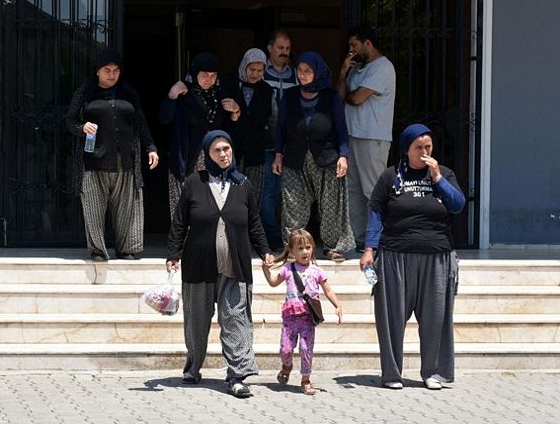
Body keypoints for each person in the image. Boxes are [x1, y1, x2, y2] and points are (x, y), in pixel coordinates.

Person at [165, 130, 273, 398]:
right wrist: (173, 254)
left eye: (227, 148)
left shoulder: (243, 184)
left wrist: (265, 252)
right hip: (198, 264)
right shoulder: (194, 183)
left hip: (234, 265)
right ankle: (193, 368)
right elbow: (180, 222)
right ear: (207, 154)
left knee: (236, 319)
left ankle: (236, 376)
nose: (224, 154)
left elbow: (254, 223)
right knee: (197, 321)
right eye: (217, 150)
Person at [360, 123, 465, 390]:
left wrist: (438, 178)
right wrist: (370, 250)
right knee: (391, 317)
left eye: (428, 146)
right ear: (406, 149)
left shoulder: (444, 175)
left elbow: (457, 205)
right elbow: (376, 213)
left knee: (435, 318)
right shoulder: (390, 177)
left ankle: (433, 372)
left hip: (437, 255)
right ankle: (392, 374)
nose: (424, 151)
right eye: (418, 147)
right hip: (396, 255)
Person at [66, 49, 159, 262]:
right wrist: (82, 128)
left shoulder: (128, 93)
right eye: (107, 70)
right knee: (94, 207)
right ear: (97, 71)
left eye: (116, 70)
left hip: (125, 159)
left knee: (127, 206)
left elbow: (141, 122)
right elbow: (70, 121)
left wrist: (151, 147)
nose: (112, 74)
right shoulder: (85, 93)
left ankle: (126, 249)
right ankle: (98, 250)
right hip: (93, 160)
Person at [273, 51, 355, 262]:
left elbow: (341, 129)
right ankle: (293, 248)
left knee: (330, 204)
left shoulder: (330, 97)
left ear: (317, 72)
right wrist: (278, 155)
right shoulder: (290, 96)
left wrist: (343, 156)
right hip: (294, 157)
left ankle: (332, 247)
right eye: (300, 70)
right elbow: (281, 127)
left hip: (327, 157)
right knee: (293, 203)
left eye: (307, 71)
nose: (302, 75)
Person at [335, 24, 396, 252]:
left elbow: (356, 98)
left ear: (367, 43)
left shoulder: (383, 67)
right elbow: (340, 98)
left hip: (373, 137)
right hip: (352, 135)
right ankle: (359, 239)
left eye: (354, 45)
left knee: (373, 190)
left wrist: (350, 94)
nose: (351, 50)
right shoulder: (357, 69)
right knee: (352, 190)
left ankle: (377, 240)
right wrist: (343, 73)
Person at [261, 229, 343, 396]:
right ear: (291, 250)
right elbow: (273, 283)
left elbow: (327, 290)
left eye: (308, 247)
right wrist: (266, 270)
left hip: (307, 318)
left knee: (306, 350)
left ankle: (306, 380)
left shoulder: (317, 271)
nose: (305, 252)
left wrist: (337, 304)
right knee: (286, 349)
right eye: (300, 248)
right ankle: (286, 366)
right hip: (290, 318)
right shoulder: (288, 269)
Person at [160, 52, 236, 218]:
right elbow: (165, 118)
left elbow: (229, 127)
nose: (209, 79)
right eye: (204, 75)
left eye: (213, 75)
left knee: (209, 206)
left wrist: (236, 111)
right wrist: (172, 95)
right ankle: (182, 243)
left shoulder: (219, 95)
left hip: (212, 158)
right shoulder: (184, 93)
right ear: (195, 74)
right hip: (186, 157)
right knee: (183, 206)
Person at [261, 30, 299, 250]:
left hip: (290, 145)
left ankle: (290, 238)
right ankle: (272, 237)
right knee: (268, 192)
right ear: (270, 48)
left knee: (289, 194)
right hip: (266, 143)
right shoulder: (259, 71)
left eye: (287, 48)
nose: (284, 52)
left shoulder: (296, 75)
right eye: (280, 48)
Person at [222, 48, 274, 207]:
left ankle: (248, 232)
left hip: (255, 152)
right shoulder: (229, 84)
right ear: (244, 66)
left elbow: (267, 119)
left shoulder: (266, 90)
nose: (255, 74)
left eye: (260, 70)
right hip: (231, 151)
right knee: (228, 199)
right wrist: (235, 114)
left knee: (252, 199)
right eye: (252, 69)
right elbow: (222, 119)